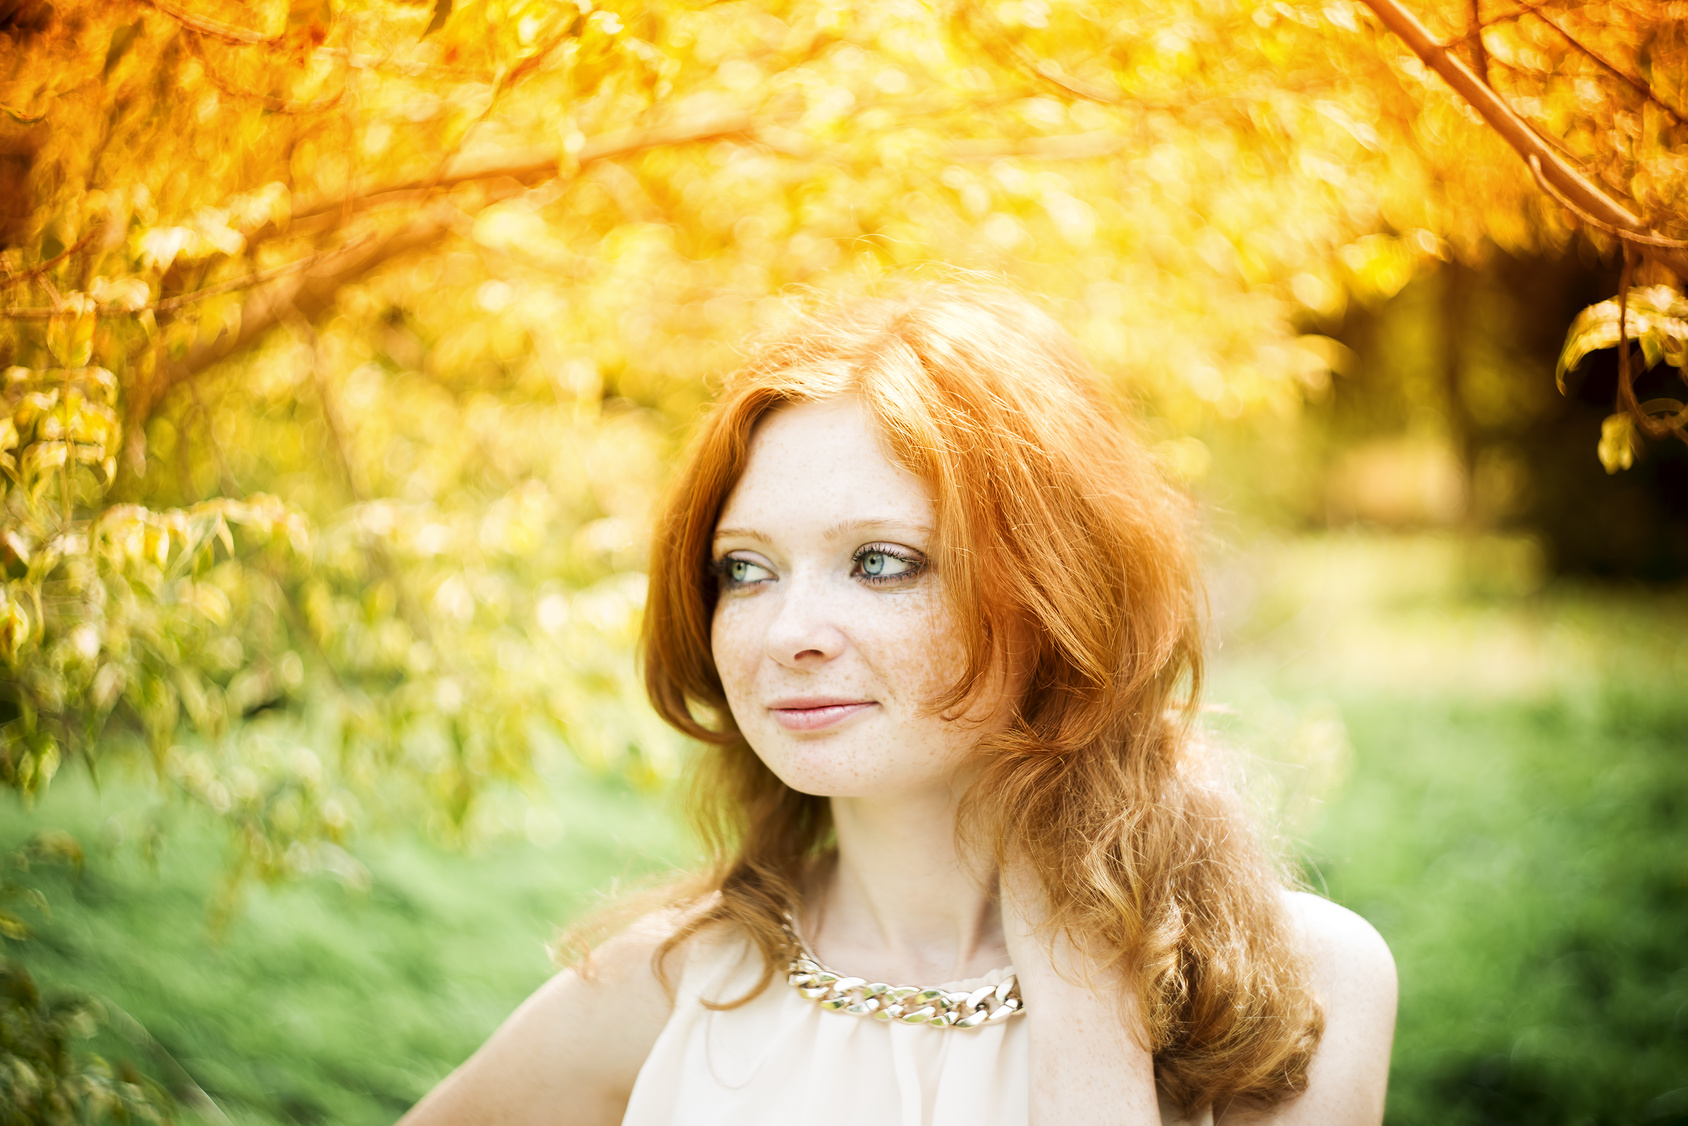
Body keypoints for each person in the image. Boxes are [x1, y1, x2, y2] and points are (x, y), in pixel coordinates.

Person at [398, 287, 1397, 1126]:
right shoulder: (661, 987)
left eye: (879, 561)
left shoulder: (1287, 982)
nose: (788, 631)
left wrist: (1084, 988)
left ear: (1057, 594)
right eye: (743, 570)